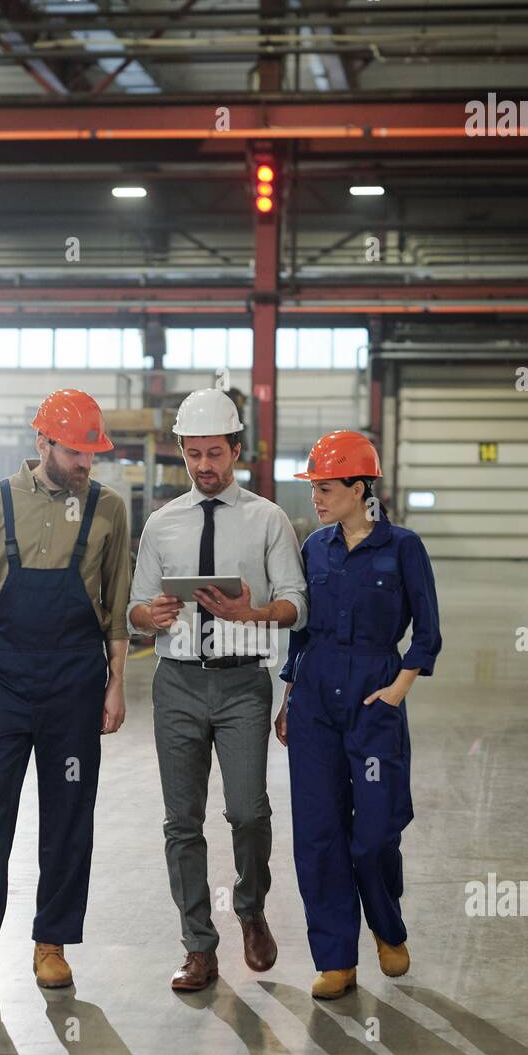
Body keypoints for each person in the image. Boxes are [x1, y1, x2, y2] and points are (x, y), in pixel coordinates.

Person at [0, 389, 132, 997]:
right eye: (75, 451)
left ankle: (52, 944)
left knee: (68, 817)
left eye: (92, 453)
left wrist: (116, 684)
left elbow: (116, 607)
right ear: (42, 443)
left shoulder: (109, 509)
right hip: (5, 680)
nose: (85, 464)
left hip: (75, 683)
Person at [128, 387, 308, 992]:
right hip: (176, 683)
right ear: (181, 451)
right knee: (182, 821)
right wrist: (146, 617)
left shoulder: (268, 519)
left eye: (215, 453)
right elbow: (133, 605)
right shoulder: (161, 524)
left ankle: (251, 908)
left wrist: (250, 612)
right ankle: (198, 947)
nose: (205, 466)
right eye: (193, 454)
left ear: (236, 451)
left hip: (241, 685)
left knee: (249, 811)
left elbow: (297, 605)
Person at [274, 431, 441, 999]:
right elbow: (302, 632)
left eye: (325, 488)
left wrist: (397, 689)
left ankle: (387, 928)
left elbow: (429, 632)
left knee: (373, 834)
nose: (316, 499)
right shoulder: (315, 547)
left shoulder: (404, 548)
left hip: (374, 697)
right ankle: (336, 959)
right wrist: (289, 694)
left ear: (360, 487)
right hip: (315, 697)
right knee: (318, 834)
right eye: (314, 488)